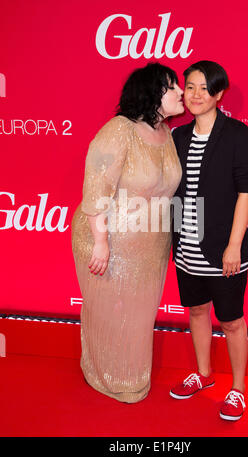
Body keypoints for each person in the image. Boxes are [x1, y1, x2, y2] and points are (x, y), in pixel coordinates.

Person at [71, 63, 184, 403]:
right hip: (109, 240)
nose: (181, 92)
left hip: (151, 244)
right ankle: (103, 375)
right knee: (108, 310)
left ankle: (132, 375)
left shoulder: (167, 135)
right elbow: (95, 187)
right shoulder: (119, 130)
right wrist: (101, 242)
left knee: (138, 314)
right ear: (151, 94)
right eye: (172, 86)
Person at [169, 60, 248, 421]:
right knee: (196, 311)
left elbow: (246, 191)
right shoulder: (177, 136)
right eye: (189, 86)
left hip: (224, 249)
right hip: (186, 245)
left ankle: (237, 389)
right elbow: (173, 191)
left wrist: (235, 244)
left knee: (233, 320)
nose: (195, 95)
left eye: (204, 88)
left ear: (219, 94)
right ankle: (203, 374)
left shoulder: (236, 134)